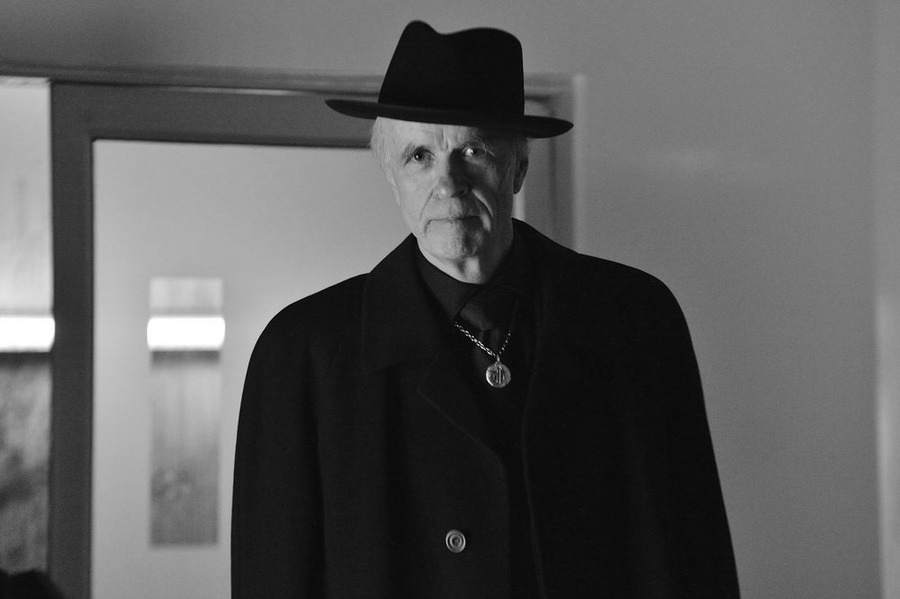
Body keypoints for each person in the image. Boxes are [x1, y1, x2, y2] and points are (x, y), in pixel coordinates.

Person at [231, 20, 739, 599]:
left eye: (473, 151)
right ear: (392, 176)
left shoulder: (637, 320)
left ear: (518, 166)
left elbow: (693, 553)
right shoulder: (300, 352)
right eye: (419, 156)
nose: (447, 184)